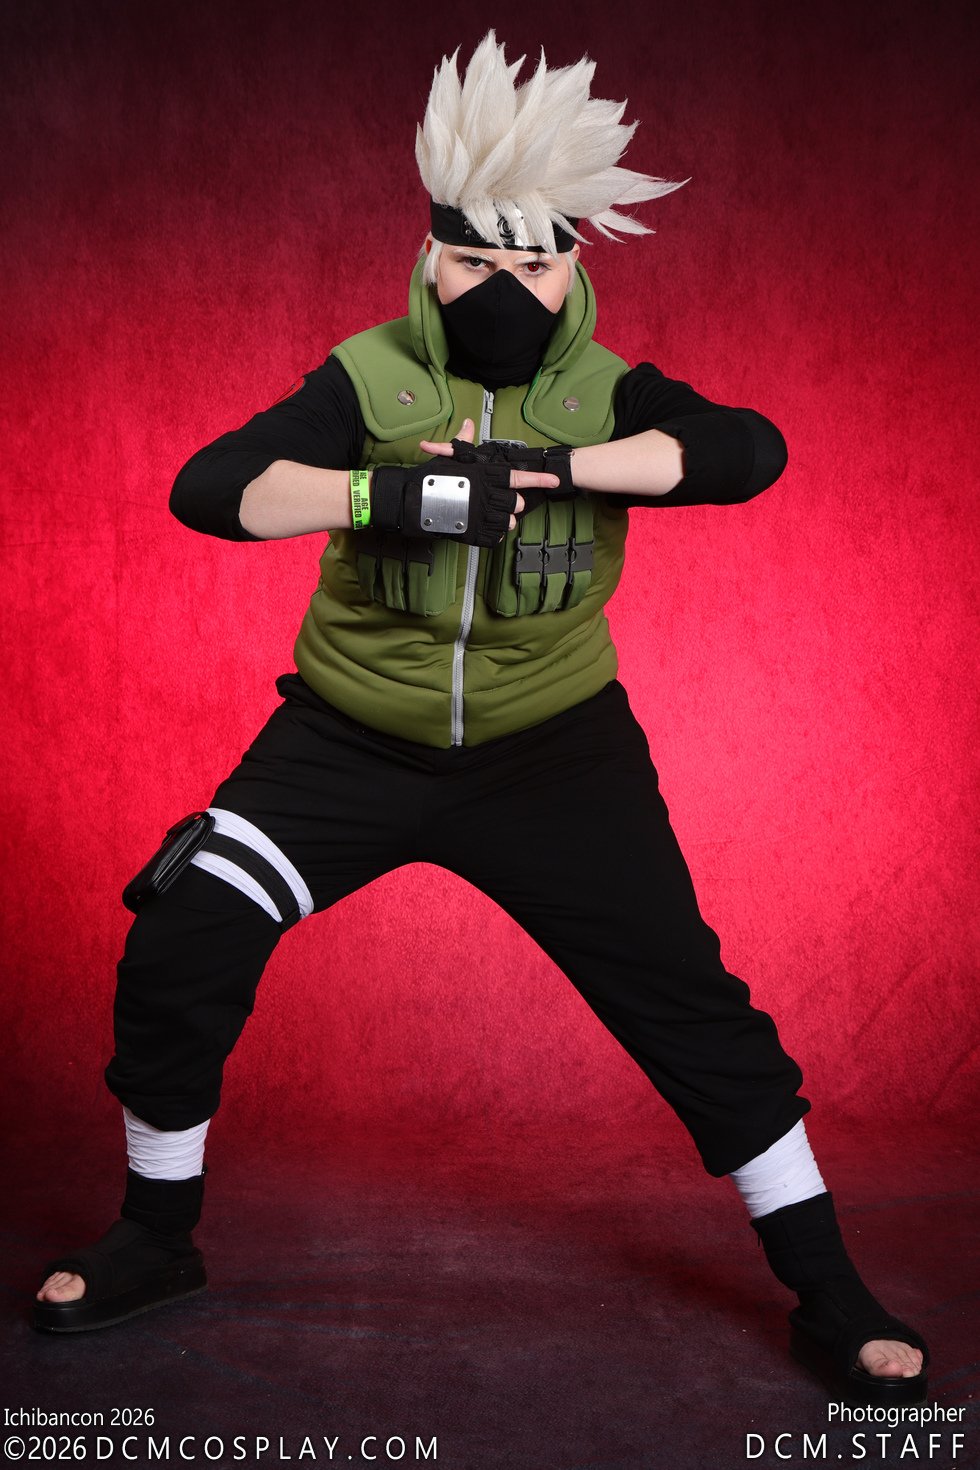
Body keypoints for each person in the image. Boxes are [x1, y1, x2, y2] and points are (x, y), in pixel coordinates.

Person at [35, 33, 927, 1403]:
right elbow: (208, 488)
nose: (504, 291)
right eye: (473, 262)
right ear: (429, 261)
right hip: (345, 741)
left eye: (536, 267)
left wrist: (558, 469)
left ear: (575, 268)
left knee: (691, 1007)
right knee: (185, 932)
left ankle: (830, 1289)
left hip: (553, 754)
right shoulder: (367, 377)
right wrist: (380, 491)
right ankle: (156, 1237)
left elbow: (748, 451)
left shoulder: (609, 389)